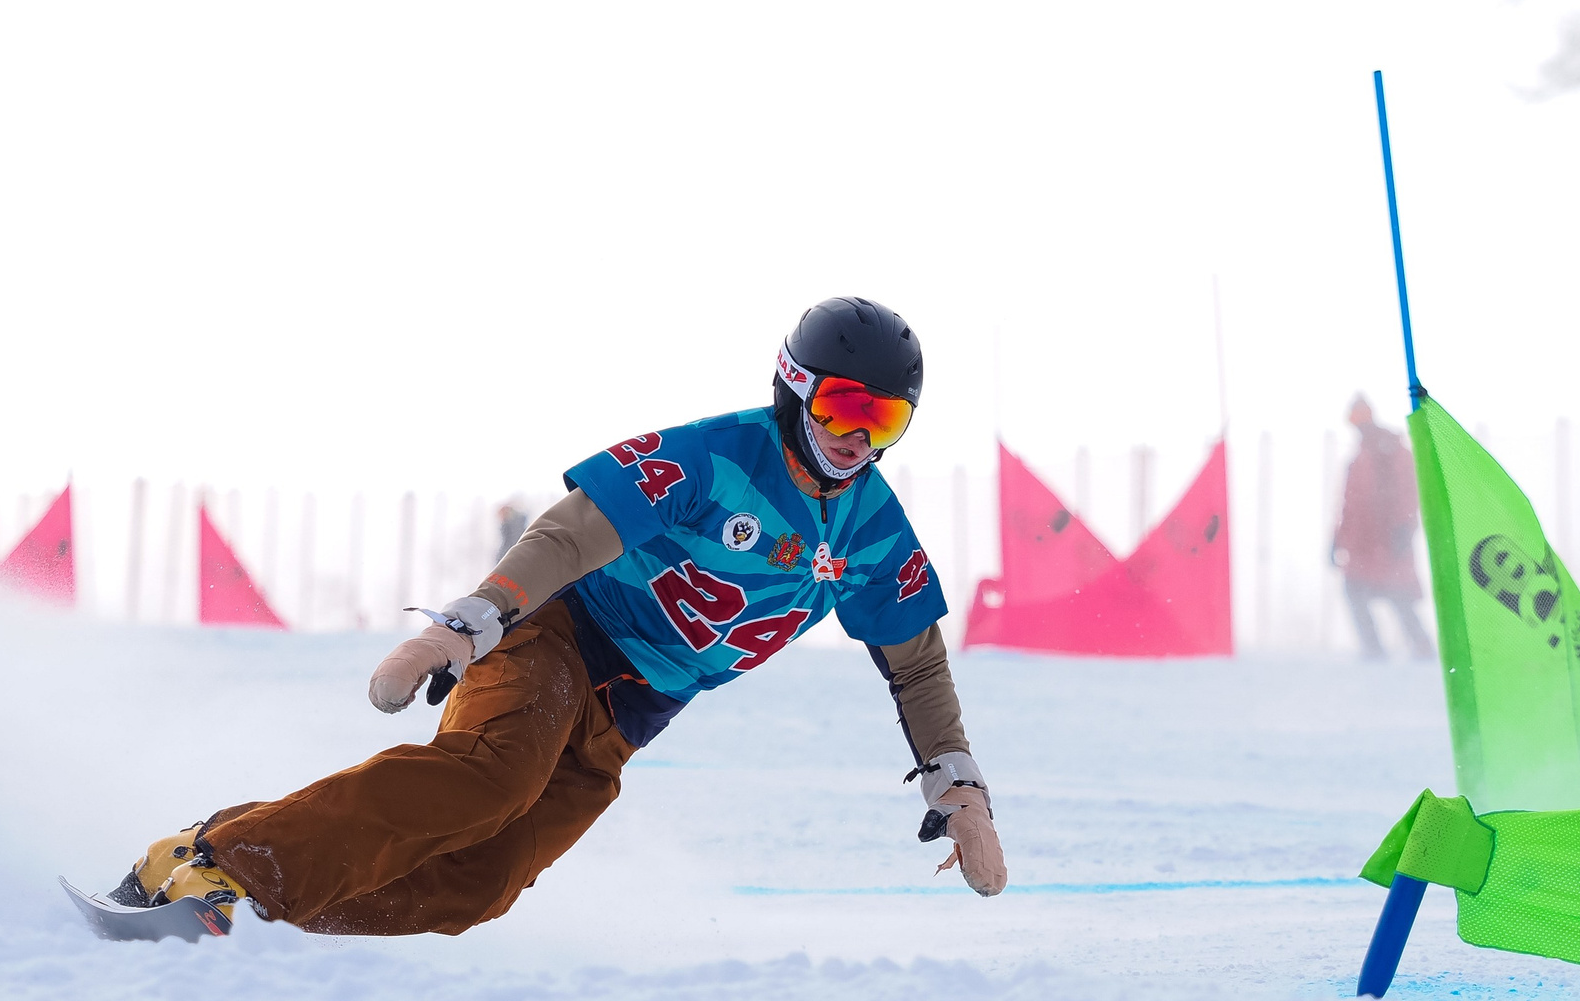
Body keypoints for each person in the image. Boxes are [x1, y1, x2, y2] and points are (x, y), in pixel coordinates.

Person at [109, 297, 1006, 934]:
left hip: (634, 711)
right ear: (795, 386)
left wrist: (955, 784)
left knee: (480, 883)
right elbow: (575, 532)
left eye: (885, 418)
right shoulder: (716, 454)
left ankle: (264, 908)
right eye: (845, 404)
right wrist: (466, 624)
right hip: (562, 637)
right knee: (488, 778)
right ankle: (222, 862)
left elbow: (916, 663)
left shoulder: (874, 529)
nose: (859, 435)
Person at [1332, 393, 1433, 662]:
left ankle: (1424, 652)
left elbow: (1409, 491)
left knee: (1401, 600)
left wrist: (1405, 527)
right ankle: (1374, 651)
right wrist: (1337, 541)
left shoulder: (1391, 451)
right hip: (1364, 548)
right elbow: (1349, 507)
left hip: (1387, 544)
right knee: (1357, 592)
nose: (1358, 426)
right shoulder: (1359, 458)